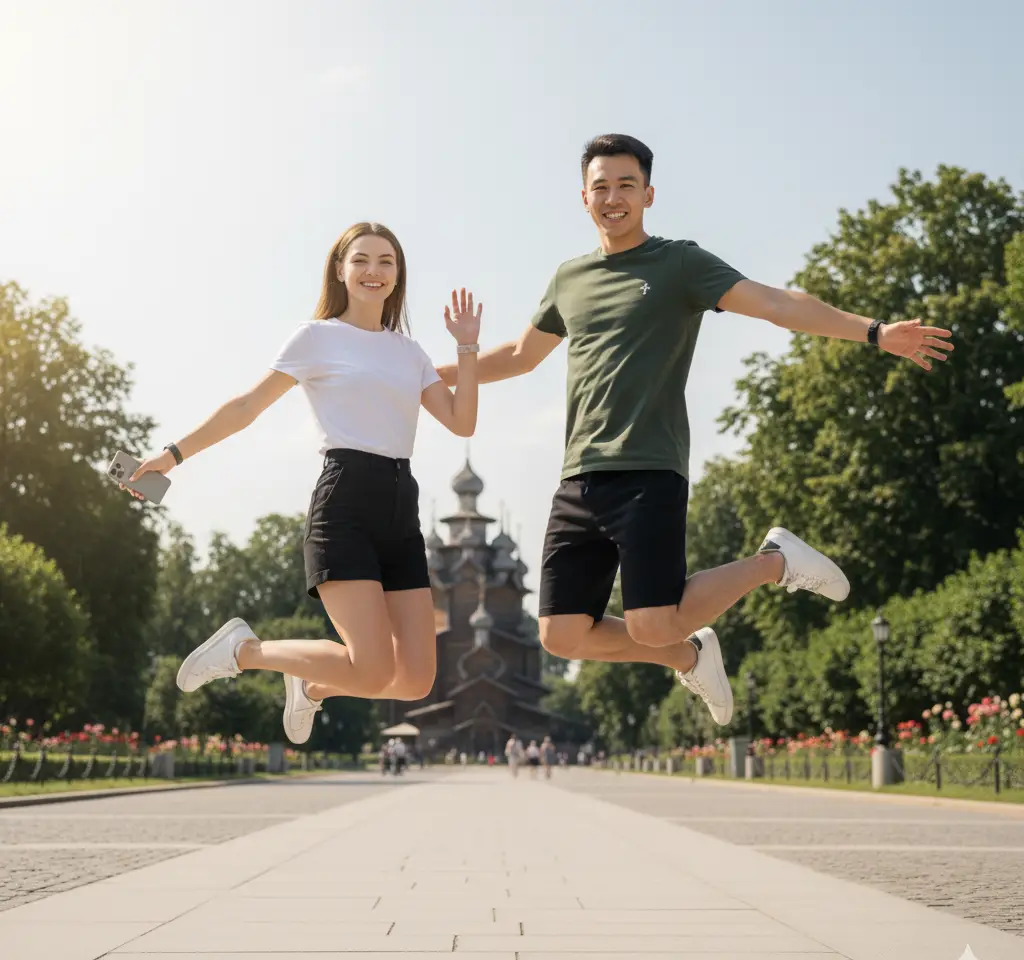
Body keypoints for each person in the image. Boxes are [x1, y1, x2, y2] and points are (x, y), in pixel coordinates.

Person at [438, 134, 953, 728]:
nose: (613, 197)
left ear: (648, 194)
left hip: (649, 468)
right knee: (561, 634)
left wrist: (874, 331)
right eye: (600, 187)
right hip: (578, 477)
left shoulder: (679, 263)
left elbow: (778, 304)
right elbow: (520, 356)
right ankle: (693, 655)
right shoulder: (569, 278)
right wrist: (428, 373)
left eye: (626, 185)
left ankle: (773, 561)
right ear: (584, 198)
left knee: (651, 621)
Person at [124, 222, 483, 744]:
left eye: (386, 261)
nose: (373, 271)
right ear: (340, 269)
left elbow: (461, 421)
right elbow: (246, 406)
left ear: (398, 274)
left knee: (414, 680)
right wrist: (172, 455)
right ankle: (243, 651)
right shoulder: (317, 337)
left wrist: (468, 348)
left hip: (402, 513)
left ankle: (311, 686)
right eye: (360, 260)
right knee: (375, 667)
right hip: (346, 505)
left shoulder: (411, 352)